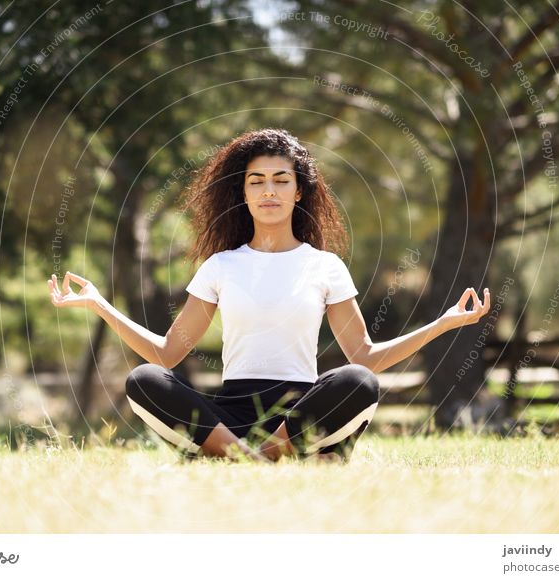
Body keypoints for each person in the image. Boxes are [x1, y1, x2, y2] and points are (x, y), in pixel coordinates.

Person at [47, 128, 490, 463]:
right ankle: (250, 453)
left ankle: (257, 455)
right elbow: (166, 354)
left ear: (300, 190)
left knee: (358, 382)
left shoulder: (325, 266)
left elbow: (365, 356)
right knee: (145, 379)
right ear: (243, 193)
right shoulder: (220, 266)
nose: (269, 191)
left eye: (281, 180)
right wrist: (99, 306)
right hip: (230, 413)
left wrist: (443, 323)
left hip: (300, 414)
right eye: (256, 181)